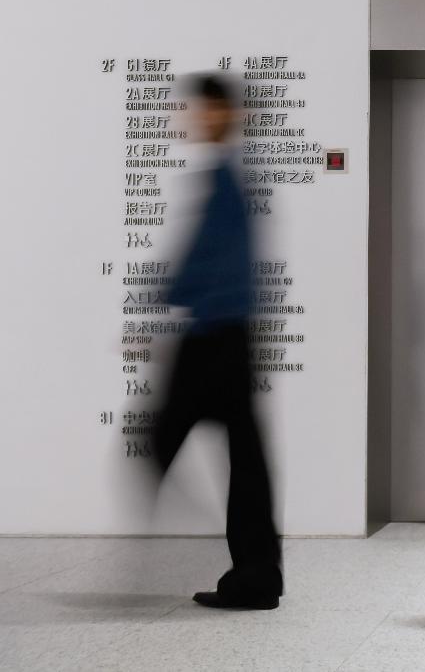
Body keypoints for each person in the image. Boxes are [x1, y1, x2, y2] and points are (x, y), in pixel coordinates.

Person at [151, 74, 283, 610]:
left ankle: (253, 574)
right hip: (227, 335)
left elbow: (213, 262)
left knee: (169, 443)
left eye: (204, 109)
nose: (194, 118)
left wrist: (166, 298)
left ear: (225, 113)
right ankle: (257, 575)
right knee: (246, 460)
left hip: (216, 337)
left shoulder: (226, 182)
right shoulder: (226, 177)